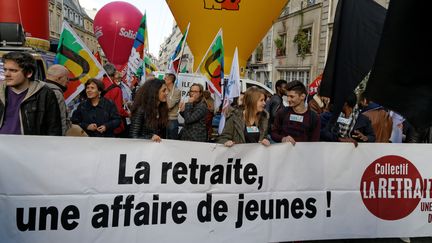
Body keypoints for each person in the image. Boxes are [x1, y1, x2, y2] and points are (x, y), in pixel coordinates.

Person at [0, 51, 61, 135]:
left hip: (30, 146)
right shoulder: (1, 91)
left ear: (29, 73)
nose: (7, 74)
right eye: (5, 69)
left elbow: (54, 129)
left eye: (13, 70)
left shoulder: (44, 94)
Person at [271, 80, 320, 145]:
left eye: (292, 96)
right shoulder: (282, 113)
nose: (288, 99)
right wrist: (283, 138)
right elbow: (273, 133)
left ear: (302, 96)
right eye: (287, 96)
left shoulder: (314, 117)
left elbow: (315, 142)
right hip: (283, 153)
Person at [102, 63, 130, 137]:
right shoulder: (116, 89)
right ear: (114, 73)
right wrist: (128, 114)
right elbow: (119, 110)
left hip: (99, 123)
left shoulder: (97, 85)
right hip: (113, 125)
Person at [44, 64, 71, 135]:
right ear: (59, 78)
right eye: (67, 78)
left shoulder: (38, 89)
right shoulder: (57, 93)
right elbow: (61, 121)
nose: (68, 82)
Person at [164, 72, 181, 139]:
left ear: (170, 80)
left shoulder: (177, 91)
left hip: (172, 120)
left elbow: (169, 106)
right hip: (163, 119)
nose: (164, 80)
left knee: (172, 141)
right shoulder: (164, 90)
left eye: (165, 78)